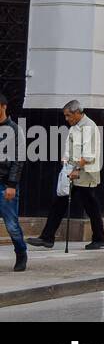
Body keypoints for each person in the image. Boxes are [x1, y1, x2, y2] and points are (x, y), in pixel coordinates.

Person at [29, 101, 104, 251]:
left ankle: (99, 238)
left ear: (77, 112)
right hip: (72, 170)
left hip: (84, 173)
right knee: (60, 202)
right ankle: (47, 237)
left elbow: (88, 154)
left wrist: (76, 169)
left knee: (90, 206)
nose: (66, 118)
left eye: (68, 115)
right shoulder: (76, 127)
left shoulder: (88, 127)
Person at [0, 94, 26, 271]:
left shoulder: (15, 130)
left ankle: (21, 252)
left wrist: (11, 185)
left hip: (5, 184)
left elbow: (18, 160)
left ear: (3, 106)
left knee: (11, 225)